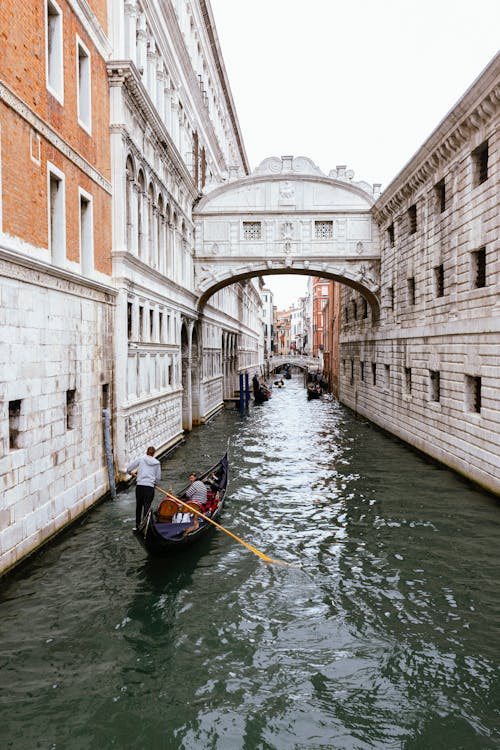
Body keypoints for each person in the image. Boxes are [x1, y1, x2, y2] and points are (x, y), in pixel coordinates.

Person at [127, 446, 161, 531]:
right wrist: (154, 484)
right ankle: (145, 526)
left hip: (140, 486)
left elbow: (129, 468)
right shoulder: (157, 463)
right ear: (153, 454)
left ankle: (137, 526)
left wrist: (129, 472)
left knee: (139, 506)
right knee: (147, 506)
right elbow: (158, 477)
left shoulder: (141, 459)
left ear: (146, 452)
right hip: (149, 487)